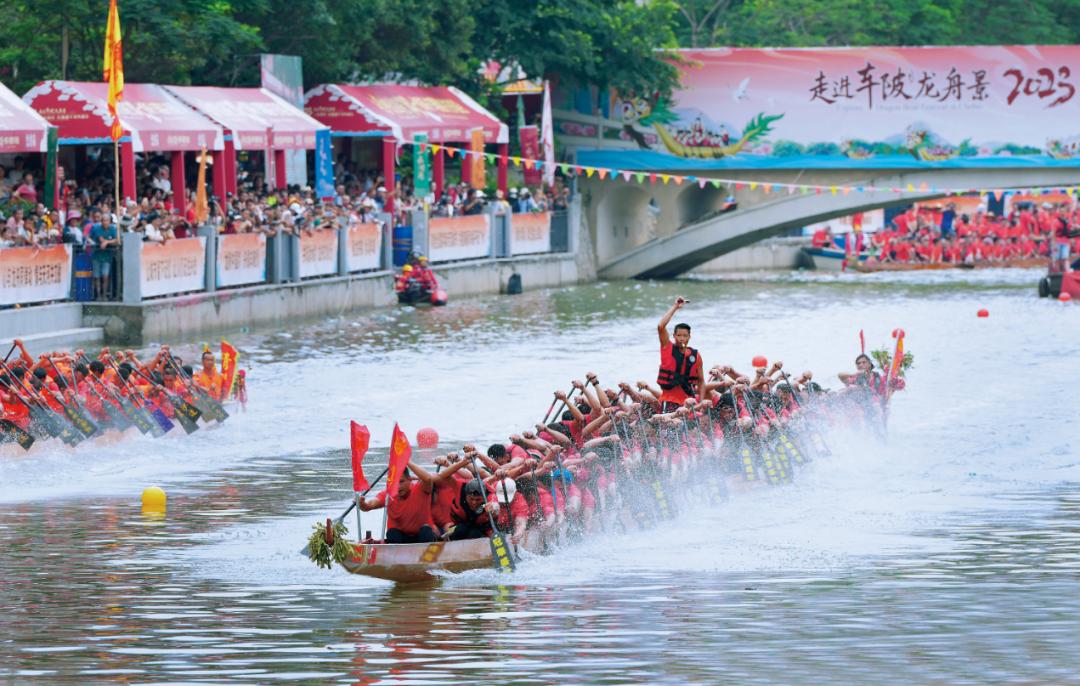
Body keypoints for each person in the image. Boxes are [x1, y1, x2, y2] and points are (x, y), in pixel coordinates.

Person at [357, 463, 439, 543]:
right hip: (400, 538)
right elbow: (370, 505)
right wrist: (363, 504)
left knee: (426, 530)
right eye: (395, 483)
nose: (398, 487)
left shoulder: (421, 489)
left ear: (409, 479)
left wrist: (406, 460)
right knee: (392, 533)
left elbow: (428, 479)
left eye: (401, 482)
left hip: (422, 537)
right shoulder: (388, 494)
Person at [656, 297, 704, 412]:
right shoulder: (667, 348)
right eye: (679, 335)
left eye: (685, 336)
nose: (682, 338)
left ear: (689, 337)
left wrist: (701, 403)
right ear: (674, 336)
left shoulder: (696, 356)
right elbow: (660, 326)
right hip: (669, 402)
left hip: (689, 403)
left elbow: (701, 381)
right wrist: (675, 307)